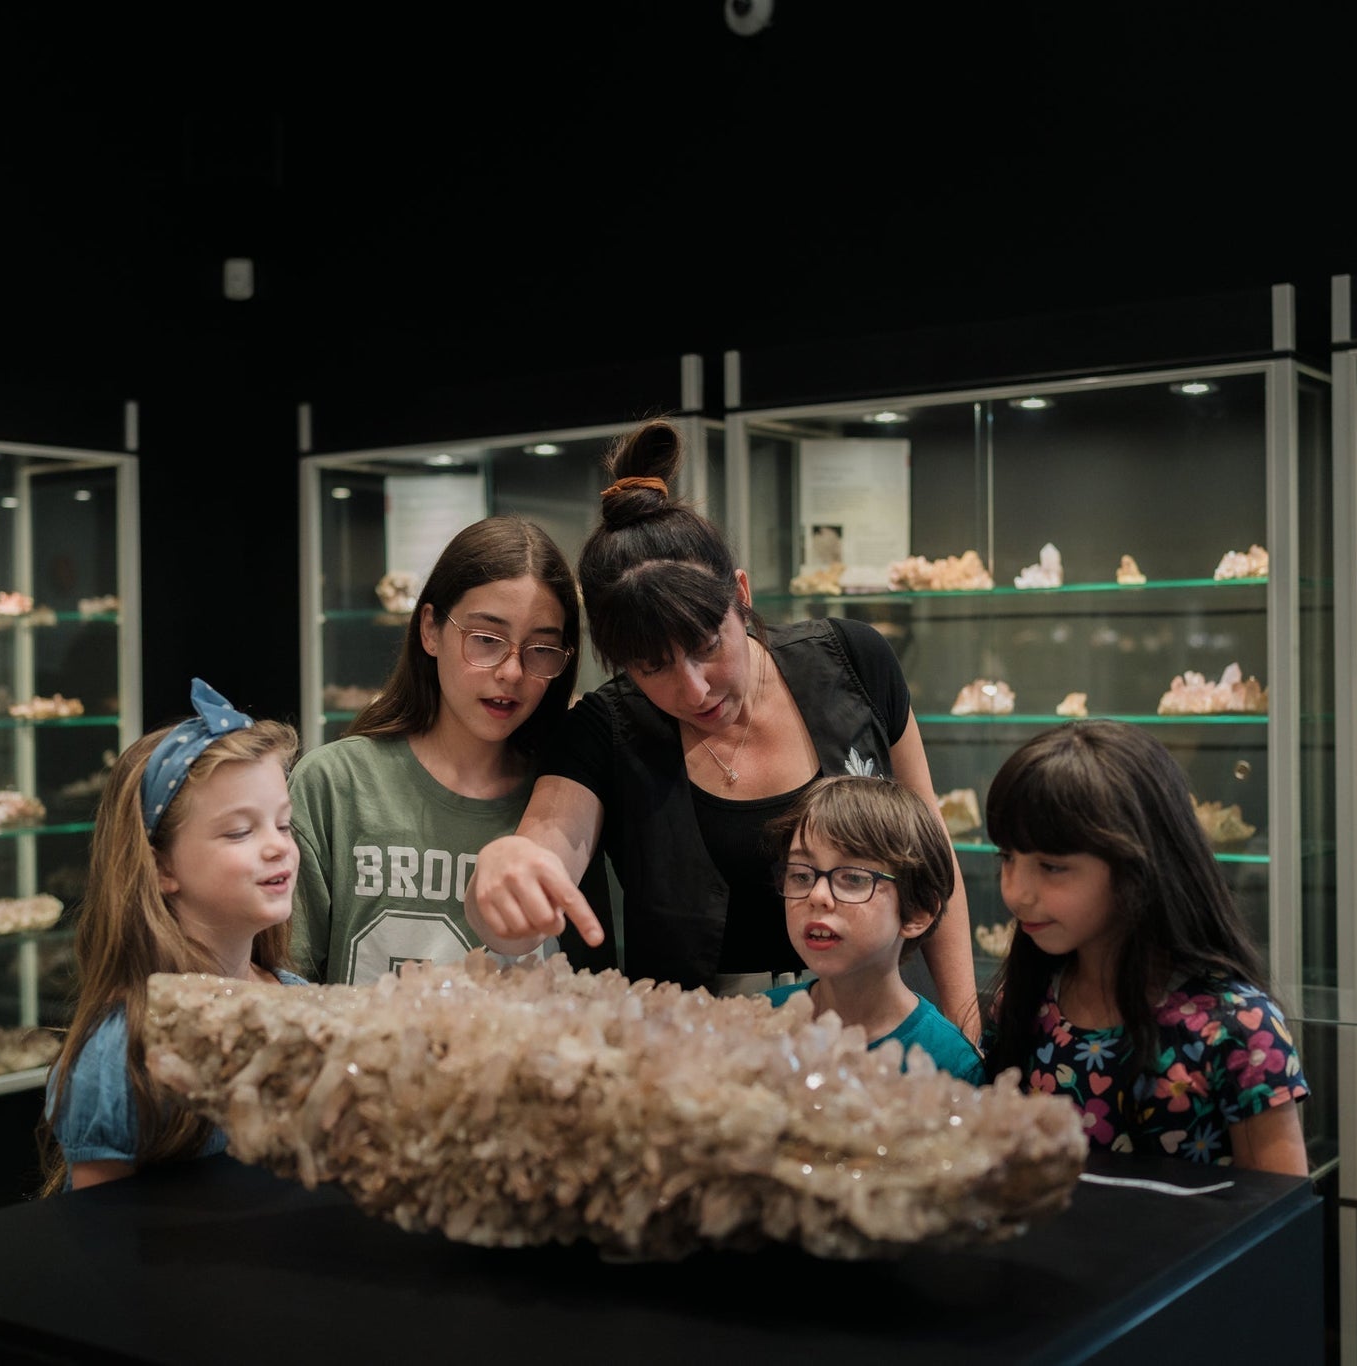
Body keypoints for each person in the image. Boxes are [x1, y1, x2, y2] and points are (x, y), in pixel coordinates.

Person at [465, 417, 979, 1035]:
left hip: (879, 1023)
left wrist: (965, 1025)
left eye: (707, 645)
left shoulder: (854, 660)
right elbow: (539, 859)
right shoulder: (605, 730)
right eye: (652, 667)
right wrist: (505, 870)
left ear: (741, 595)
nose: (694, 689)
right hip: (702, 1050)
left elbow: (931, 849)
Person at [287, 516, 606, 984]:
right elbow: (283, 981)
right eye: (486, 640)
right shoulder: (333, 784)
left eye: (541, 648)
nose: (512, 672)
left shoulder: (568, 797)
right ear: (430, 630)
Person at [982, 720, 1309, 1173]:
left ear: (1137, 864)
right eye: (1007, 858)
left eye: (1052, 867)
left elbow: (1282, 1207)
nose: (1016, 893)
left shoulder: (1236, 1028)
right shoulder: (1024, 1002)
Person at [40, 679, 305, 1193]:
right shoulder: (122, 1054)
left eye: (284, 824)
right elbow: (98, 1235)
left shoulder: (296, 1001)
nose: (278, 847)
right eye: (240, 831)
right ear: (161, 866)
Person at [761, 775, 985, 1083]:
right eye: (801, 875)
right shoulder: (759, 1020)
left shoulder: (951, 1064)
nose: (817, 895)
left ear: (916, 912)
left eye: (853, 878)